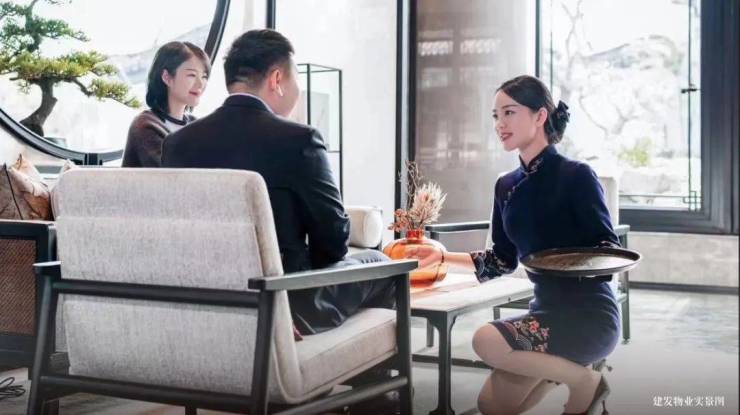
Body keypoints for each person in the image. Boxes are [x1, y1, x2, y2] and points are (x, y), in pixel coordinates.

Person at [408, 75, 620, 415]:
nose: (499, 124)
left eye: (509, 112)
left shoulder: (577, 175)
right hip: (544, 316)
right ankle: (576, 376)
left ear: (540, 116)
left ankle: (584, 381)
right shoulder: (505, 186)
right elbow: (501, 260)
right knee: (492, 405)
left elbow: (607, 247)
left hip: (588, 317)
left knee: (485, 339)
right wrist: (442, 256)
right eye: (495, 115)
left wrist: (571, 263)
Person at [161, 29, 394, 336]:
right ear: (276, 80)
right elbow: (333, 244)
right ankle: (353, 362)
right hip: (284, 305)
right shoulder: (299, 140)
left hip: (206, 303)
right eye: (296, 78)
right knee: (381, 262)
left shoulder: (177, 144)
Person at [122, 41, 210, 167]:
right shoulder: (145, 125)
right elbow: (172, 175)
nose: (200, 84)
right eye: (192, 75)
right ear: (167, 77)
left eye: (204, 76)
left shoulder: (196, 125)